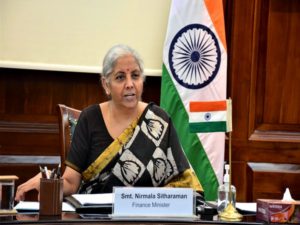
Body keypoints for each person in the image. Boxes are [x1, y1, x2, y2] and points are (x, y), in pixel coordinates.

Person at [15, 44, 204, 201]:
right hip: (95, 219)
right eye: (120, 77)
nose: (130, 84)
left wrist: (142, 198)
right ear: (106, 85)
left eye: (135, 76)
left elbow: (184, 185)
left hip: (146, 218)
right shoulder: (90, 118)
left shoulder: (158, 120)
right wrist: (49, 181)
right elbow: (71, 183)